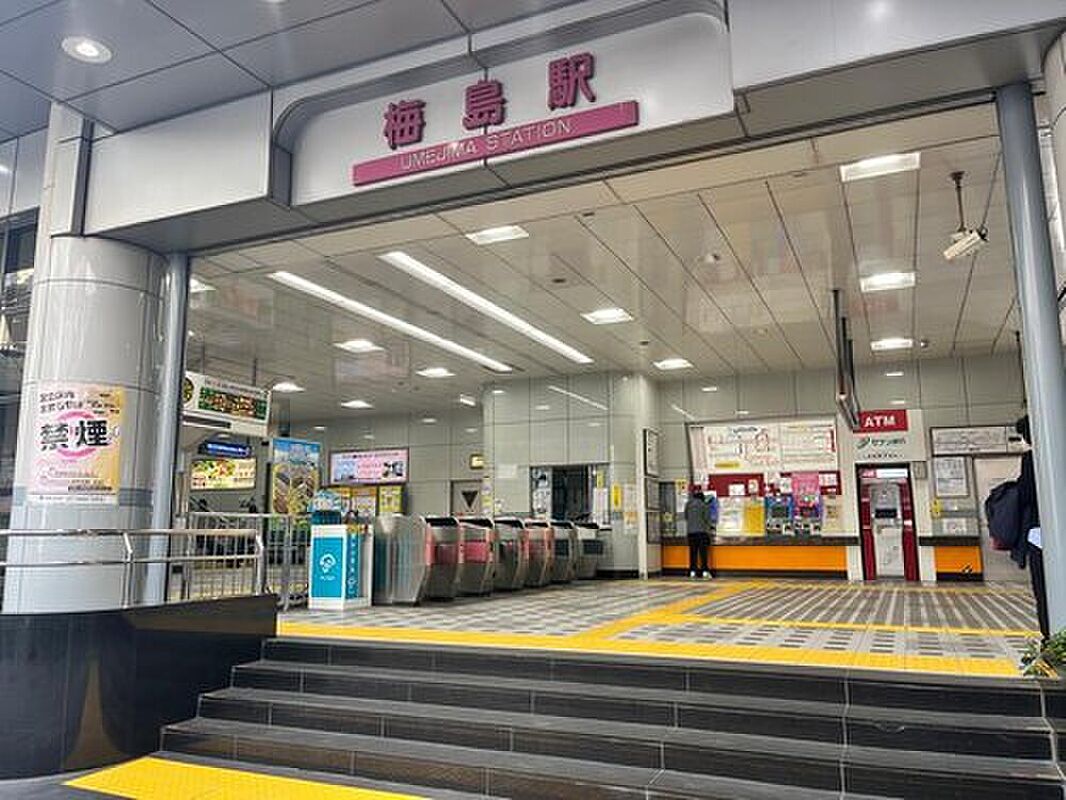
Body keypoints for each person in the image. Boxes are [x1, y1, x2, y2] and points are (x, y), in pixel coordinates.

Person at [1016, 415, 1049, 641]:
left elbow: (1026, 495)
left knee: (1044, 588)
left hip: (1040, 534)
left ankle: (1050, 637)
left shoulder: (1031, 459)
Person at [684, 487, 717, 579]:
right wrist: (711, 528)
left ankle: (692, 571)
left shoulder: (688, 504)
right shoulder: (704, 505)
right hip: (702, 533)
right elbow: (707, 519)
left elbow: (686, 517)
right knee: (703, 553)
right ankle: (705, 571)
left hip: (691, 533)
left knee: (693, 553)